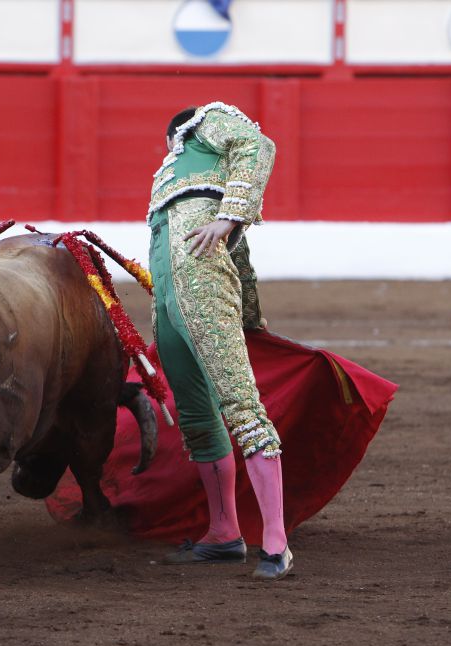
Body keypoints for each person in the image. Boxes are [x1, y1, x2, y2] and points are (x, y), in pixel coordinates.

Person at [148, 102, 292, 580]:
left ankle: (276, 544)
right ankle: (224, 533)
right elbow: (240, 257)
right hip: (168, 291)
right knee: (195, 412)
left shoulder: (204, 121)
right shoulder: (173, 175)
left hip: (201, 283)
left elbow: (257, 144)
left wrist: (230, 217)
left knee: (239, 403)